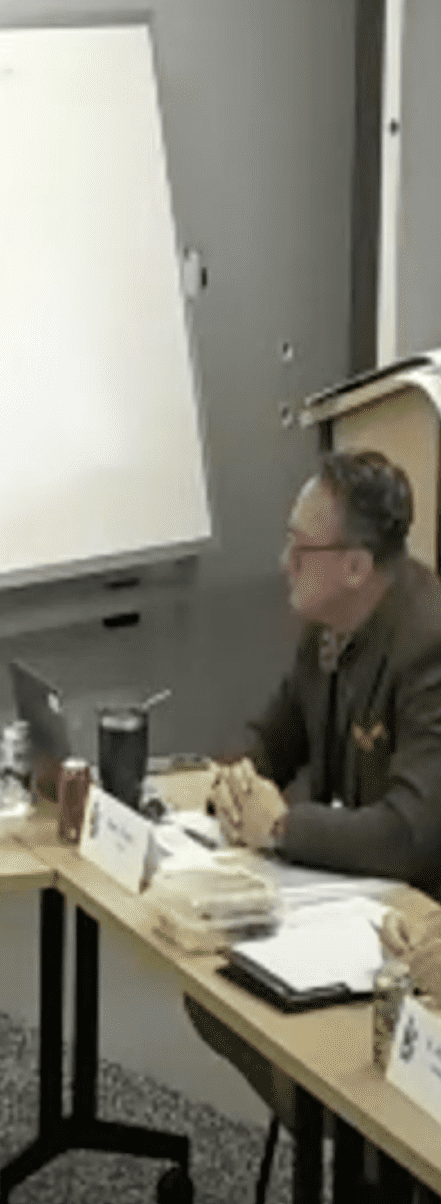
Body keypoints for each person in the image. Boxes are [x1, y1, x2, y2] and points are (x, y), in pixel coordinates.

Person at [192, 449, 441, 1122]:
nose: (283, 563)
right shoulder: (329, 624)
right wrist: (236, 782)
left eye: (301, 548)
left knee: (268, 1017)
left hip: (417, 938)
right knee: (214, 986)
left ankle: (358, 1149)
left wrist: (279, 826)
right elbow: (276, 739)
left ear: (356, 565)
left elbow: (411, 834)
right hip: (345, 903)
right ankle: (340, 1145)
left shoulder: (428, 646)